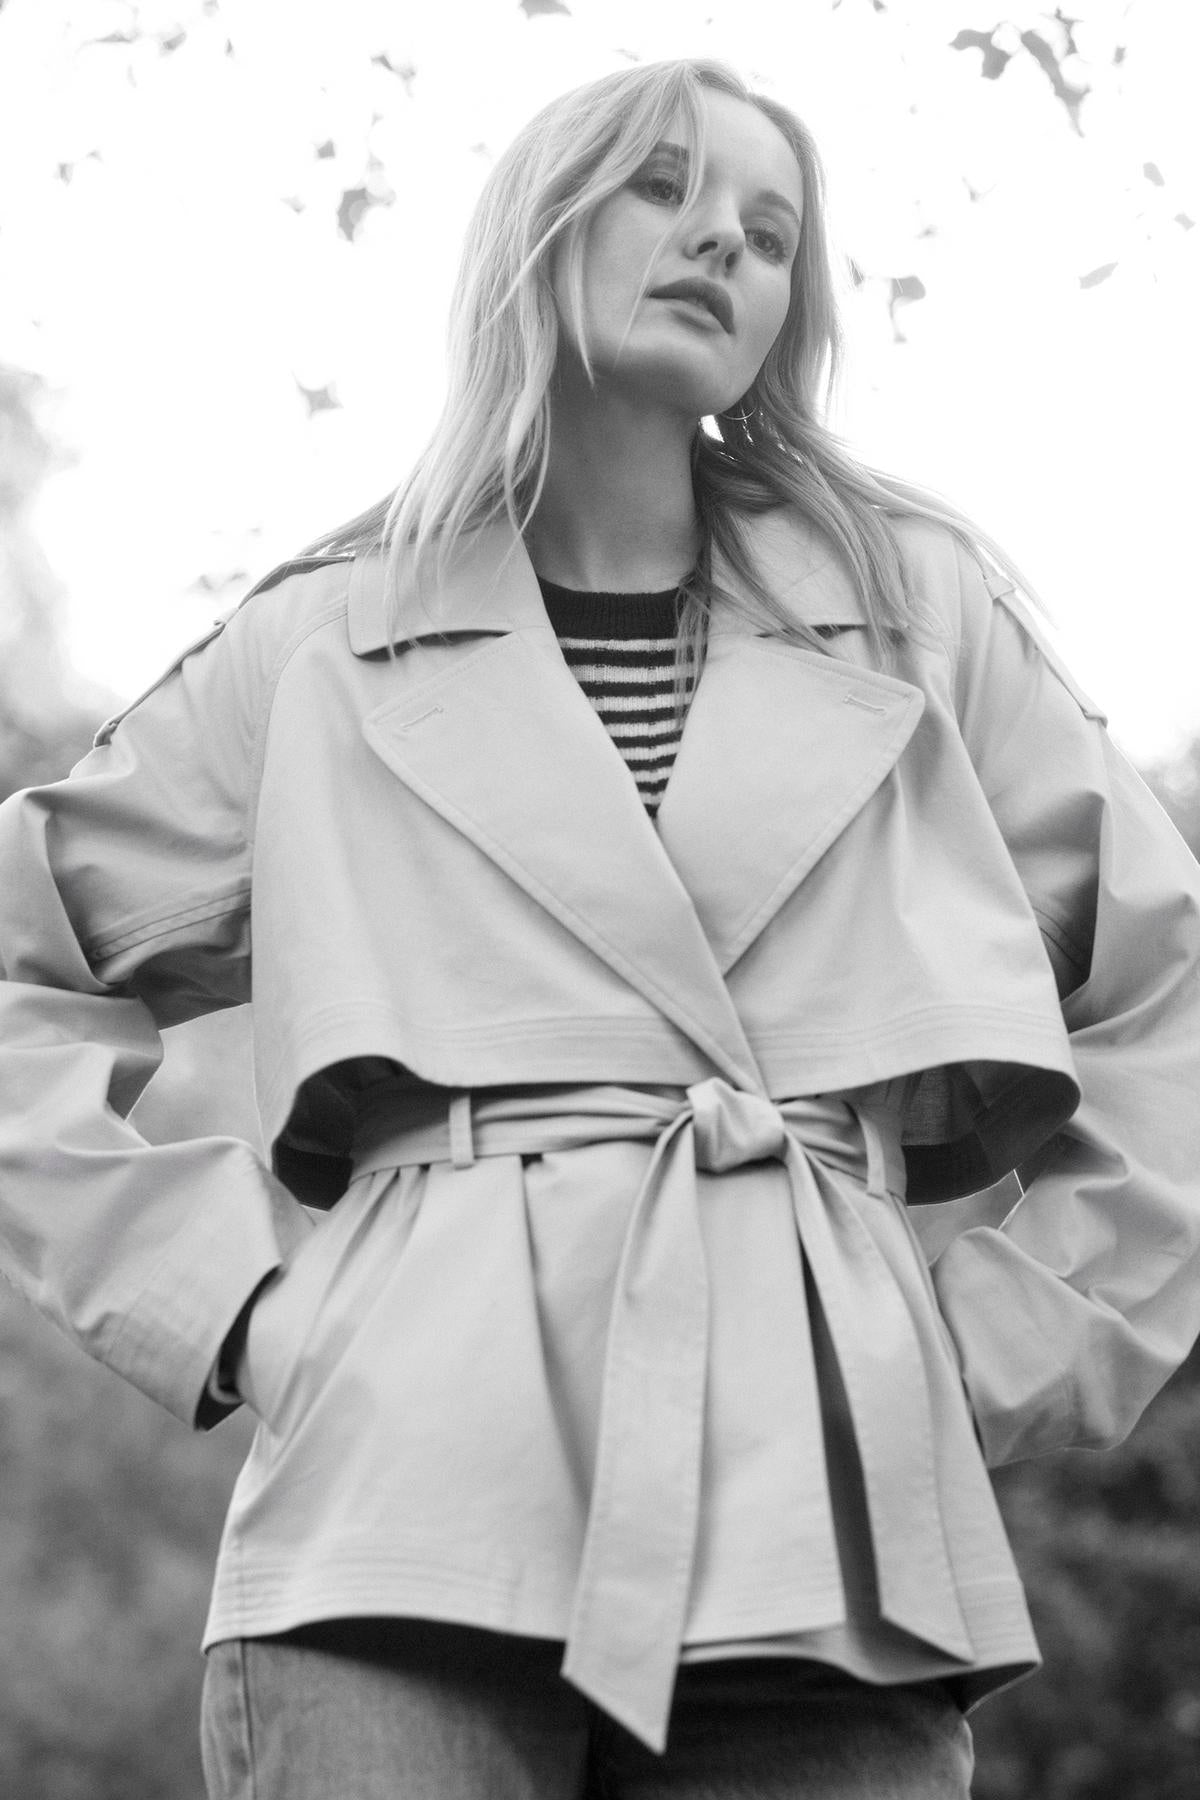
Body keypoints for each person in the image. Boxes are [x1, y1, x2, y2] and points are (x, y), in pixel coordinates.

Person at [1, 55, 1199, 1800]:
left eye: (771, 228)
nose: (721, 234)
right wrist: (241, 1311)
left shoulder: (913, 615)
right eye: (661, 186)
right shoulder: (324, 645)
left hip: (830, 1512)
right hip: (407, 1503)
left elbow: (1174, 993)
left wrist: (992, 1343)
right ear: (535, 235)